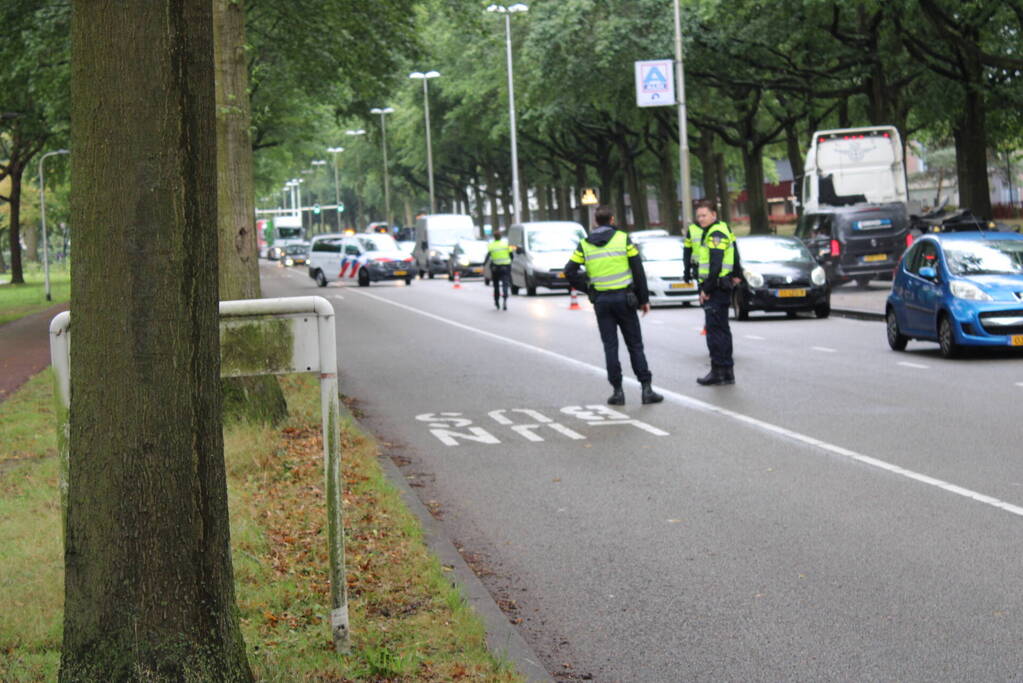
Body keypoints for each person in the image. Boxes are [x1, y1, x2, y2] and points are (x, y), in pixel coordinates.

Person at [565, 205, 663, 405]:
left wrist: (588, 289)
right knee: (635, 345)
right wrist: (643, 299)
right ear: (612, 220)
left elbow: (569, 271)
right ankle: (646, 389)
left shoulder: (584, 244)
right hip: (625, 300)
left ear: (595, 222)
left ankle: (618, 392)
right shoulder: (623, 239)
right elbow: (638, 269)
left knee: (610, 347)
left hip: (602, 302)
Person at [694, 200, 740, 385]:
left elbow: (715, 264)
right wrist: (737, 273)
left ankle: (718, 371)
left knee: (715, 332)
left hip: (716, 289)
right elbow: (735, 253)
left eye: (704, 215)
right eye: (698, 216)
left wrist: (706, 289)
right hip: (721, 286)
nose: (700, 219)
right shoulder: (722, 228)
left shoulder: (715, 233)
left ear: (714, 214)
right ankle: (727, 372)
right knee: (723, 330)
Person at [485, 229, 512, 310]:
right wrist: (510, 262)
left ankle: (497, 301)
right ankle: (505, 301)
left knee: (496, 286)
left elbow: (488, 256)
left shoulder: (491, 245)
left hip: (495, 268)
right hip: (506, 267)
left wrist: (484, 264)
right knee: (505, 284)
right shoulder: (506, 244)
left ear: (494, 237)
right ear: (501, 237)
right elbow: (511, 255)